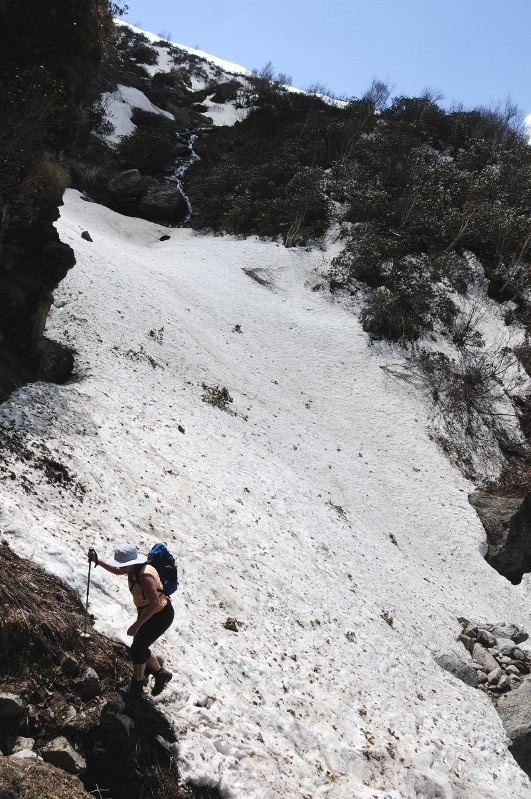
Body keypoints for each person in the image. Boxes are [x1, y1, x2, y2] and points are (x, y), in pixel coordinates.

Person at [88, 542, 174, 696]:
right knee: (140, 645)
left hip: (160, 615)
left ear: (131, 563)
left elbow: (154, 603)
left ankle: (137, 685)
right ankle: (161, 674)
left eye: (123, 565)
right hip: (151, 614)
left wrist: (137, 624)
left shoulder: (144, 575)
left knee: (137, 648)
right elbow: (116, 570)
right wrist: (97, 560)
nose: (120, 568)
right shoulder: (133, 569)